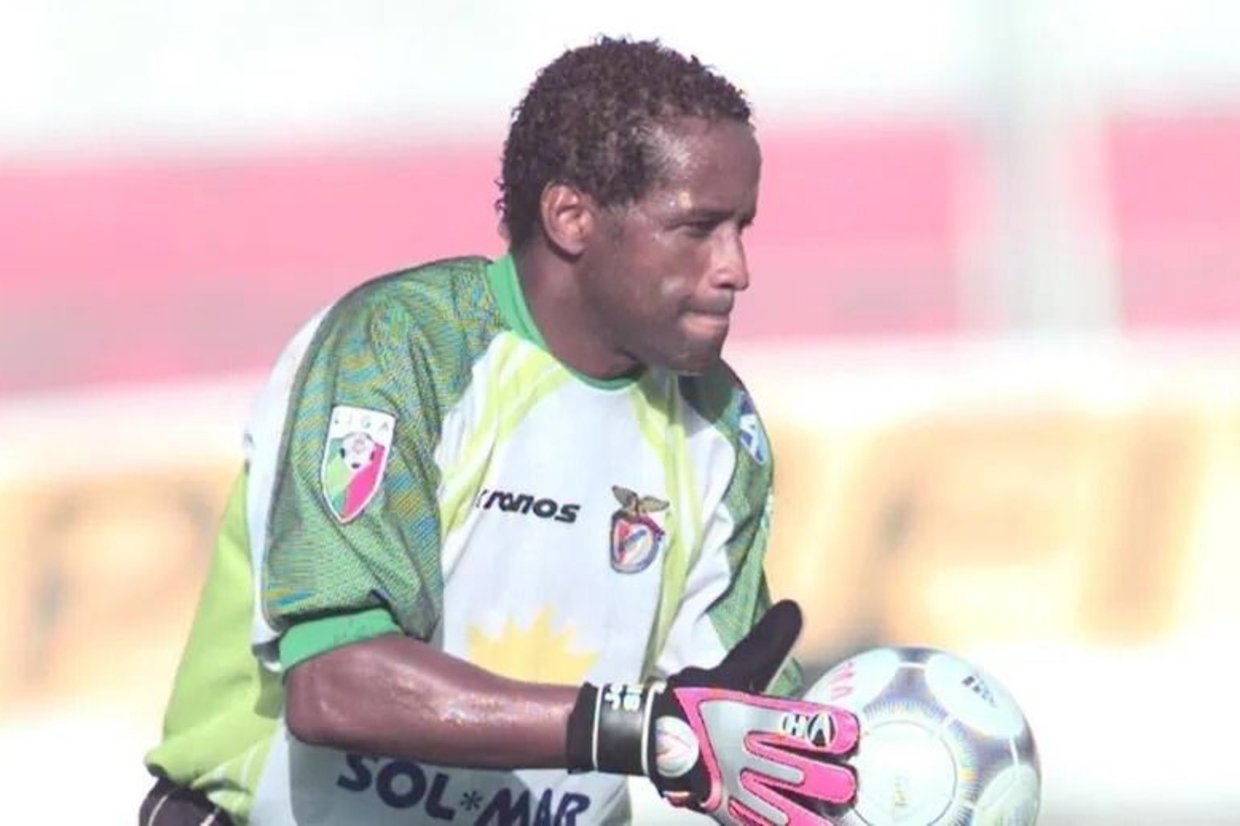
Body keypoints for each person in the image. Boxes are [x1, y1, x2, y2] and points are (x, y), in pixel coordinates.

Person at [140, 36, 860, 826]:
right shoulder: (401, 349)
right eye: (698, 228)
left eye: (742, 228)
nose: (736, 268)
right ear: (572, 216)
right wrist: (630, 729)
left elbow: (721, 737)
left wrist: (861, 772)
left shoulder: (717, 421)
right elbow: (335, 684)